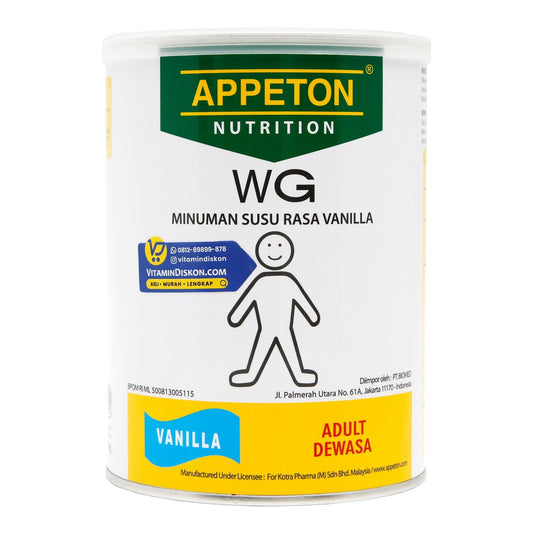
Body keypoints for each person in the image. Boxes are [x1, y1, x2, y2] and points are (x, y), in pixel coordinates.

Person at [228, 232, 320, 387]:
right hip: (266, 329)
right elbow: (246, 302)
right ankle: (251, 375)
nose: (274, 251)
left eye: (279, 246)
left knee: (290, 350)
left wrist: (312, 316)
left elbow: (302, 301)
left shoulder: (288, 281)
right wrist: (236, 317)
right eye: (269, 246)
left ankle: (299, 375)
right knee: (260, 351)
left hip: (285, 329)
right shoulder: (261, 282)